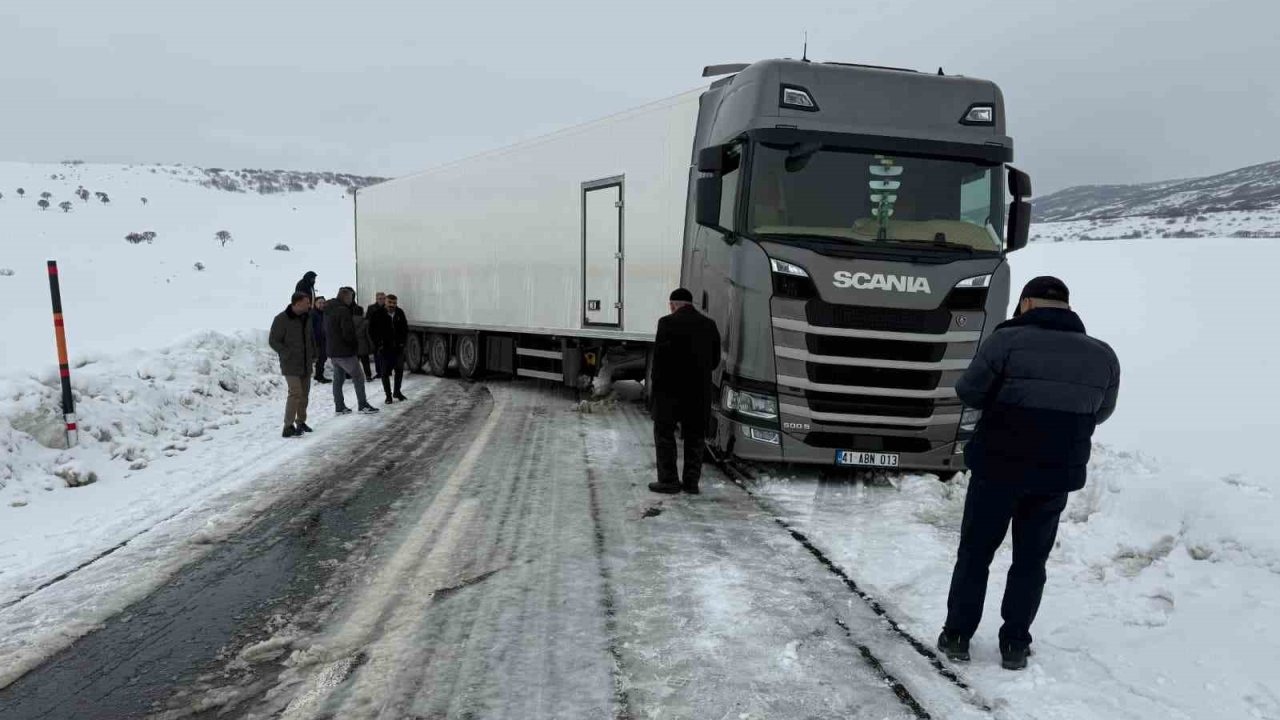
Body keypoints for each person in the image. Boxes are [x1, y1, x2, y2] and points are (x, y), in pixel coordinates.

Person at [938, 276, 1120, 671]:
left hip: (997, 468)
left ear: (1026, 304)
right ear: (1067, 307)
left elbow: (969, 391)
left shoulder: (1005, 342)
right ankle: (1015, 644)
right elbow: (1101, 412)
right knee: (1031, 561)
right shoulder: (1103, 355)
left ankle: (957, 636)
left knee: (975, 553)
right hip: (1054, 476)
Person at [648, 288, 721, 495]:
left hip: (669, 392)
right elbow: (714, 361)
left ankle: (669, 481)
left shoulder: (666, 323)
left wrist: (655, 388)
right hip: (698, 393)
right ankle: (691, 483)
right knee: (695, 437)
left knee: (664, 435)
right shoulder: (709, 325)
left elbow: (659, 360)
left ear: (673, 305)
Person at [268, 292, 317, 438]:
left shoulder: (307, 317)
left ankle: (301, 422)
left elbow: (311, 337)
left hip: (306, 362)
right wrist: (286, 353)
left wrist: (314, 353)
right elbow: (273, 341)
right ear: (297, 303)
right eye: (306, 302)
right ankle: (288, 426)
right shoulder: (281, 319)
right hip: (290, 364)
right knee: (295, 393)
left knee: (304, 394)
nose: (309, 305)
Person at [325, 287, 379, 415]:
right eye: (351, 297)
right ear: (345, 297)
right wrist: (354, 345)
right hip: (345, 351)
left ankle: (339, 406)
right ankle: (363, 405)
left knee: (338, 380)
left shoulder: (328, 309)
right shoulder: (343, 310)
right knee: (358, 376)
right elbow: (347, 332)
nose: (352, 300)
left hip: (333, 350)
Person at [370, 293, 409, 403]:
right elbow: (372, 331)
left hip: (398, 348)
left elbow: (405, 328)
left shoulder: (400, 313)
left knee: (399, 371)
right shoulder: (377, 314)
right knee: (385, 373)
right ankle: (388, 396)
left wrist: (402, 342)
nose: (392, 305)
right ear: (385, 302)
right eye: (390, 302)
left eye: (394, 303)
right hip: (385, 349)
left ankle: (397, 391)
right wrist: (379, 344)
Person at [367, 292, 387, 379]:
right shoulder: (371, 308)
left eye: (384, 298)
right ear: (376, 299)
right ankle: (379, 371)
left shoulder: (388, 308)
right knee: (377, 354)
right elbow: (368, 321)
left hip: (386, 334)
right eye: (380, 298)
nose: (382, 300)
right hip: (375, 334)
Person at [352, 303, 374, 381]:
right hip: (363, 345)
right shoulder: (365, 322)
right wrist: (371, 345)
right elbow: (368, 335)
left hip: (353, 345)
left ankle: (354, 376)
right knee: (365, 362)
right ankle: (368, 376)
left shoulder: (349, 321)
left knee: (354, 363)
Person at [311, 296, 330, 384]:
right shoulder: (313, 314)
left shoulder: (325, 313)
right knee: (319, 358)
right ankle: (318, 376)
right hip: (316, 341)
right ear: (315, 304)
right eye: (319, 303)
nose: (322, 304)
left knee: (323, 358)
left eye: (323, 303)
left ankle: (319, 375)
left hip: (324, 340)